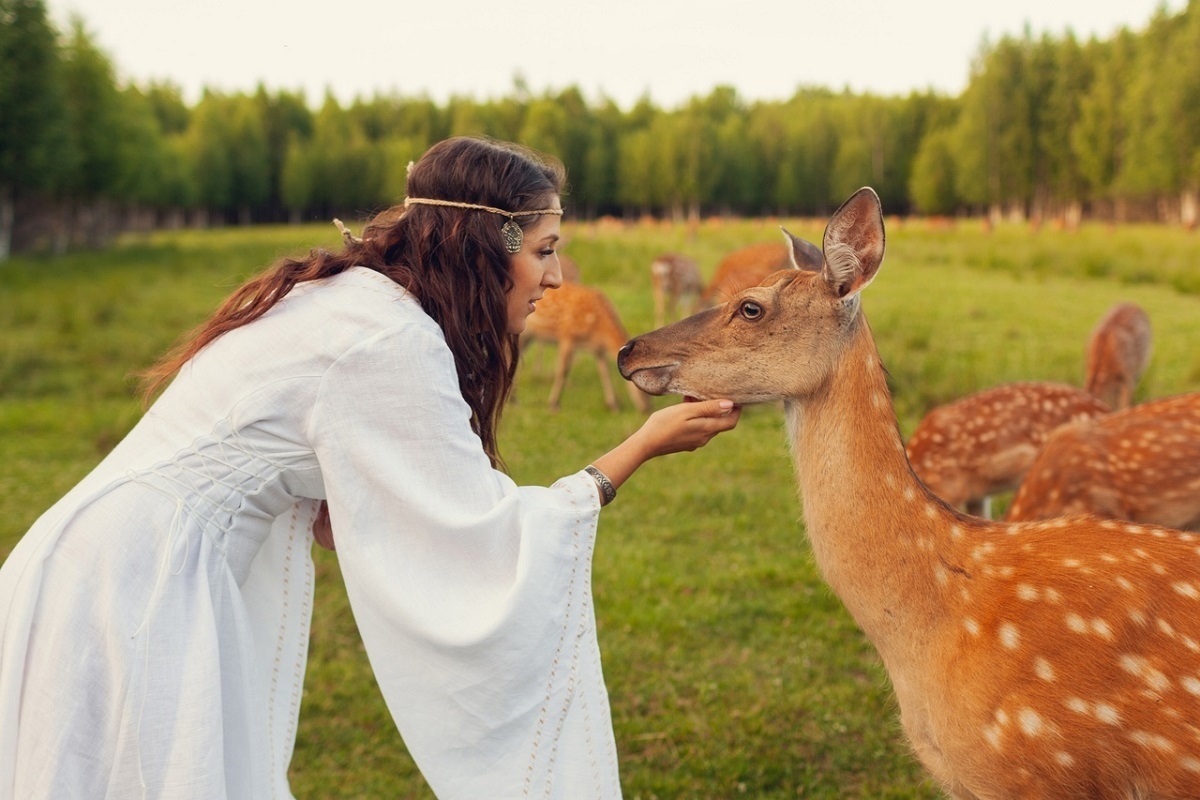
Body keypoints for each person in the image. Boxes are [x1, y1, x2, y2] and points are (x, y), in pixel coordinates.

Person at [0, 135, 740, 799]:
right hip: (135, 584)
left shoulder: (360, 304)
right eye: (544, 250)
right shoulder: (387, 340)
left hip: (105, 557)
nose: (553, 279)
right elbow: (481, 537)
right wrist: (638, 447)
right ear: (486, 244)